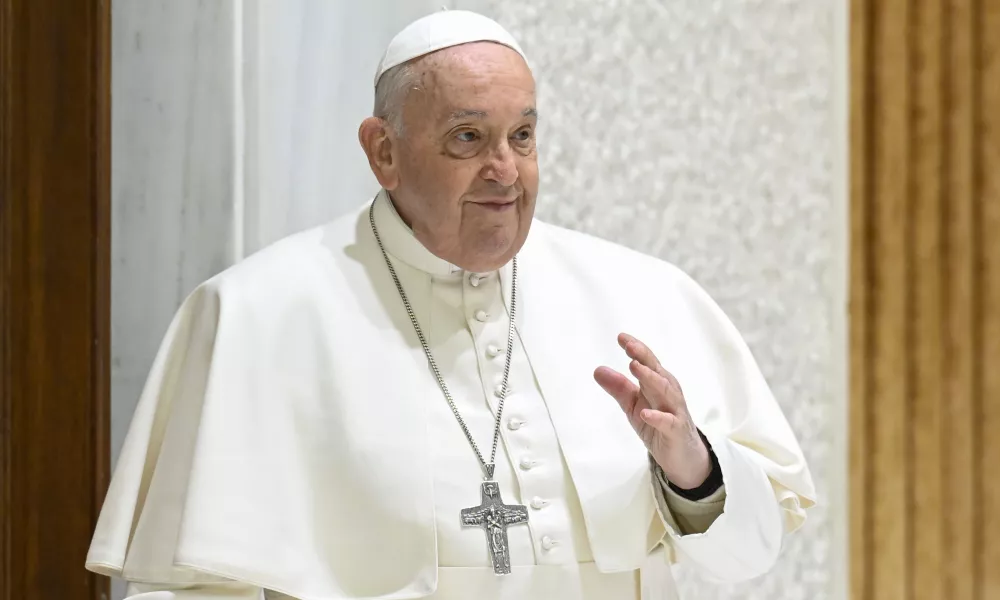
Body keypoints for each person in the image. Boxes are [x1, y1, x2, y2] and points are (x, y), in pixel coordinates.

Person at [87, 9, 816, 600]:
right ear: (384, 152)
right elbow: (184, 590)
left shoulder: (640, 294)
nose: (505, 171)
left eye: (522, 136)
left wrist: (692, 466)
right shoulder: (256, 317)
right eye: (468, 138)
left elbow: (748, 554)